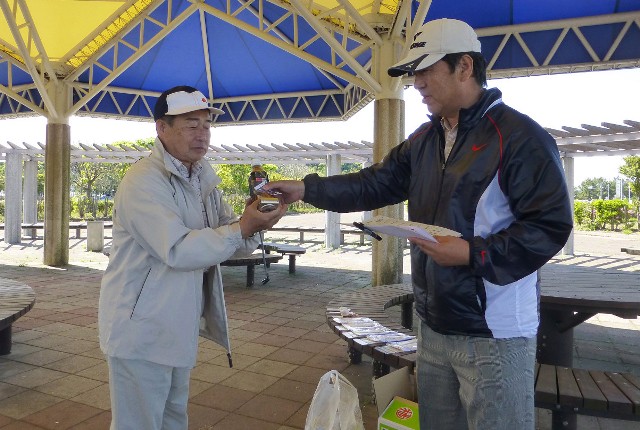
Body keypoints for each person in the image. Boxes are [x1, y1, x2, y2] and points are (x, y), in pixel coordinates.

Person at [264, 18, 573, 430]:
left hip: (494, 332)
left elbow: (549, 226)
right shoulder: (425, 138)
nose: (417, 83)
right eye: (414, 73)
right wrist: (306, 188)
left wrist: (471, 253)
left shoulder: (519, 137)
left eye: (426, 70)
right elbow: (373, 183)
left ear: (465, 66)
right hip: (432, 323)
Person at [98, 85, 287, 430]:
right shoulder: (143, 180)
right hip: (141, 330)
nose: (202, 134)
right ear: (162, 128)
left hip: (178, 326)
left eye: (206, 125)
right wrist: (241, 228)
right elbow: (178, 249)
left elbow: (232, 239)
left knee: (173, 420)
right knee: (138, 424)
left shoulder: (201, 178)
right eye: (190, 125)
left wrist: (257, 221)